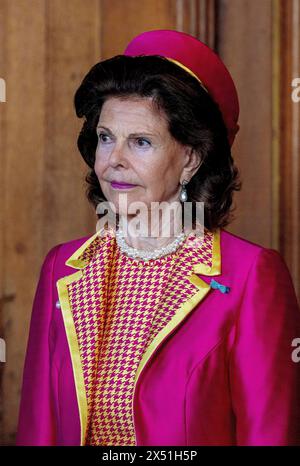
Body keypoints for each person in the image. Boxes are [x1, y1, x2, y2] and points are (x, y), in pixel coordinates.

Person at [16, 29, 300, 446]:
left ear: (191, 158)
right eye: (105, 137)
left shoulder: (250, 277)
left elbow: (270, 436)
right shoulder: (62, 266)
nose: (114, 161)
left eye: (141, 142)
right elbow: (37, 431)